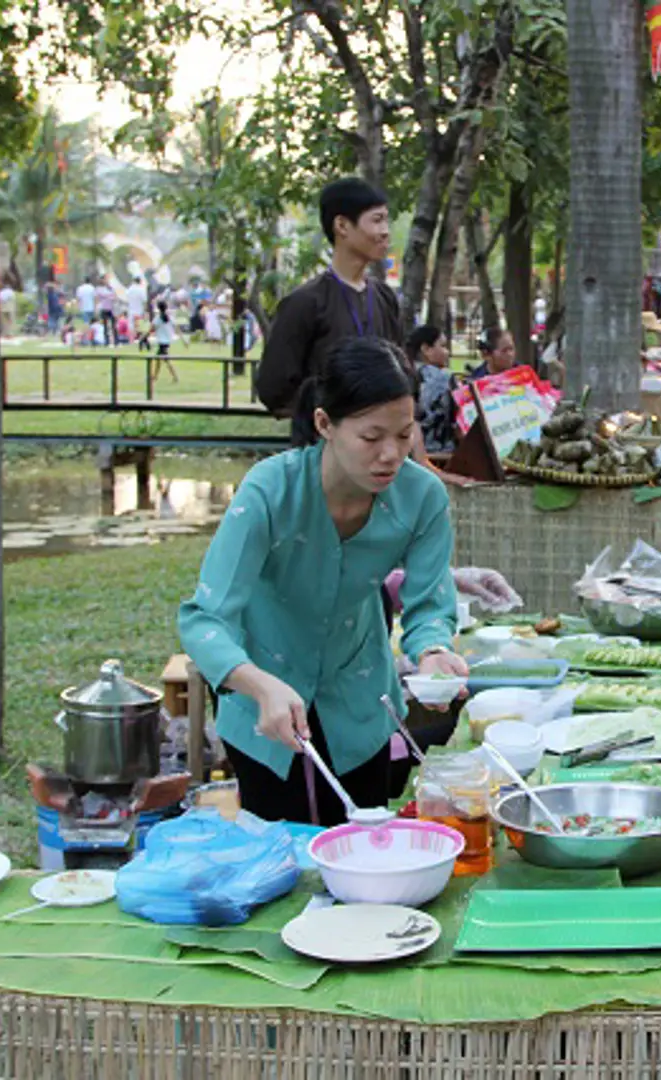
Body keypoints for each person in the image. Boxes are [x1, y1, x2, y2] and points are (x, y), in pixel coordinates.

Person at [178, 337, 467, 824]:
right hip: (263, 702)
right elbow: (205, 619)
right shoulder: (270, 491)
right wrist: (257, 684)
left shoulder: (423, 497)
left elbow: (429, 604)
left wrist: (434, 649)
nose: (392, 454)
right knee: (279, 863)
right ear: (324, 424)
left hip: (359, 701)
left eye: (403, 433)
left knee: (364, 847)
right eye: (372, 438)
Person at [258, 178, 404, 420]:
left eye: (386, 220)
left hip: (382, 446)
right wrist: (330, 418)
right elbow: (273, 387)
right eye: (377, 220)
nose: (385, 232)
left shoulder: (385, 298)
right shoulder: (305, 302)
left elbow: (404, 371)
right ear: (342, 226)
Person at [408, 324, 458, 454]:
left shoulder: (403, 375)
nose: (448, 352)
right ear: (426, 349)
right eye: (443, 346)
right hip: (442, 450)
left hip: (410, 450)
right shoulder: (445, 378)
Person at [150, 301, 179, 383]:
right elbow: (177, 327)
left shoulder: (157, 318)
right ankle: (155, 376)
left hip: (162, 342)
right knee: (158, 359)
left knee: (166, 360)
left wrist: (143, 337)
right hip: (167, 341)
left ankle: (175, 377)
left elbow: (151, 329)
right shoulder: (169, 317)